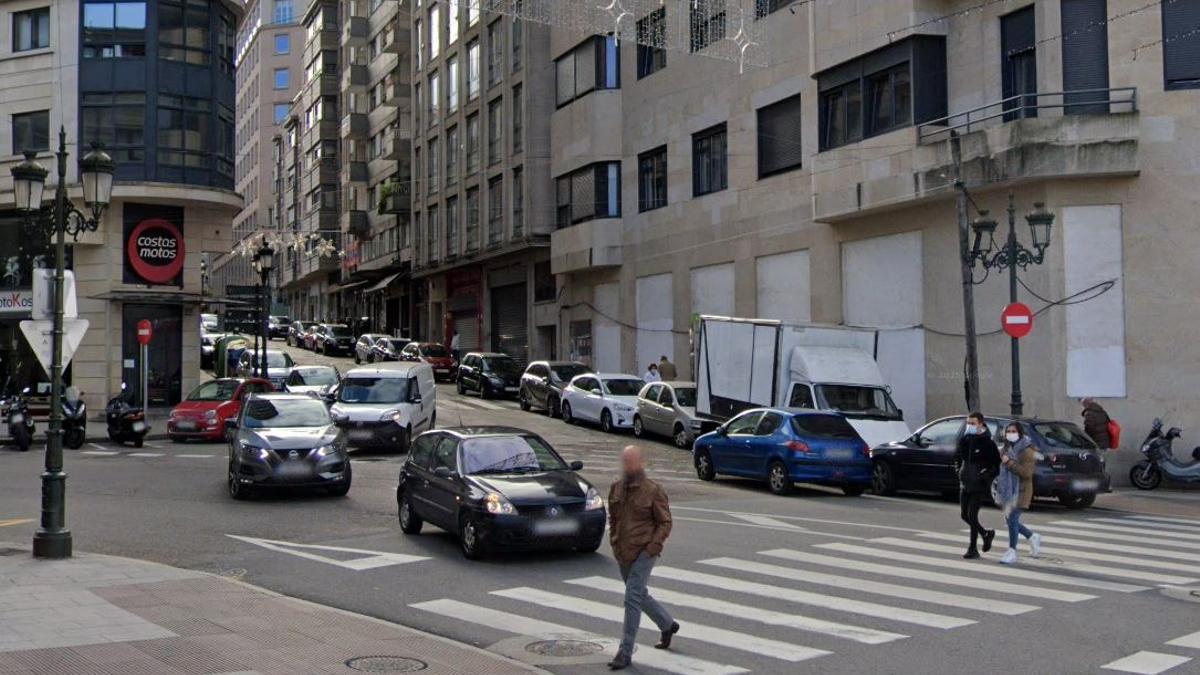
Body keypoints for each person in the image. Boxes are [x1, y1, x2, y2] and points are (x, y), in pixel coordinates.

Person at [607, 445, 678, 670]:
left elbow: (665, 521)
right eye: (626, 461)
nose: (629, 466)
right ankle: (667, 624)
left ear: (641, 463)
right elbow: (613, 517)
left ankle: (625, 652)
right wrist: (614, 540)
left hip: (644, 551)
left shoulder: (653, 490)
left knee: (632, 598)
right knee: (638, 595)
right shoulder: (616, 488)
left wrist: (653, 546)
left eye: (633, 461)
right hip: (623, 551)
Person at [954, 412, 1001, 559]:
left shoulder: (988, 443)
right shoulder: (965, 439)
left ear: (981, 424)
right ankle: (986, 534)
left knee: (972, 515)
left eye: (973, 423)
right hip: (965, 482)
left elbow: (996, 465)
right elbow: (957, 458)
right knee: (964, 515)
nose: (970, 426)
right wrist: (959, 471)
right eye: (968, 423)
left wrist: (984, 475)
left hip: (979, 485)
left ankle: (972, 548)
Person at [996, 422, 1041, 565]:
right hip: (1009, 490)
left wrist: (1009, 463)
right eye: (1008, 431)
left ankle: (1012, 551)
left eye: (1013, 431)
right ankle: (1032, 536)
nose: (1010, 434)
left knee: (1012, 519)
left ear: (1020, 433)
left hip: (1021, 490)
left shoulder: (1027, 451)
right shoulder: (1006, 449)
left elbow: (1026, 473)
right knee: (1010, 521)